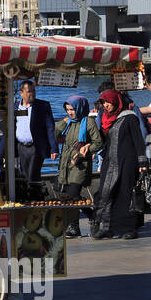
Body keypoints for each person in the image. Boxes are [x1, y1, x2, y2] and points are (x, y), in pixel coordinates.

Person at [91, 89, 149, 240]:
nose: (105, 105)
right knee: (107, 193)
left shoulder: (129, 117)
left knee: (126, 194)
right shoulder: (106, 118)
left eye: (108, 102)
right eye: (103, 102)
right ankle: (107, 227)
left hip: (127, 162)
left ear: (116, 101)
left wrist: (142, 162)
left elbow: (138, 140)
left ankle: (130, 228)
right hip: (110, 161)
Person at [54, 95, 102, 236]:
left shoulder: (88, 122)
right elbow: (54, 136)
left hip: (80, 164)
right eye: (68, 110)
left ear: (80, 108)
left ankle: (73, 226)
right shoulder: (68, 123)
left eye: (73, 109)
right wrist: (62, 123)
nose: (70, 112)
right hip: (65, 164)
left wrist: (85, 151)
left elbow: (98, 142)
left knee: (73, 194)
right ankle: (91, 215)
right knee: (70, 196)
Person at [13, 80, 57, 185]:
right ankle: (28, 198)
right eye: (29, 91)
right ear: (21, 93)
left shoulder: (43, 106)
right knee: (23, 174)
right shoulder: (15, 106)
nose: (32, 93)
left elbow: (50, 127)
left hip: (36, 146)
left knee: (33, 174)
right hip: (21, 146)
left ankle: (35, 197)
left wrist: (53, 148)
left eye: (33, 91)